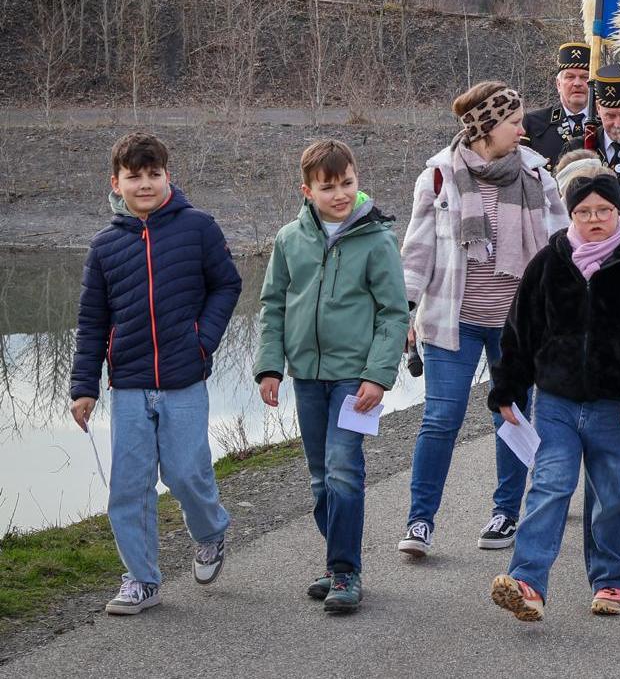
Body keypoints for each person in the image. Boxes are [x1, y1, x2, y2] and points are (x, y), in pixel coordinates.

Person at [488, 173, 620, 622]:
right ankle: (528, 582)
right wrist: (509, 387)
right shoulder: (550, 261)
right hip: (557, 400)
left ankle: (610, 578)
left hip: (616, 404)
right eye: (584, 212)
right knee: (550, 486)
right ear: (571, 215)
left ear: (619, 213)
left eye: (603, 211)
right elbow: (520, 330)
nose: (594, 220)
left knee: (613, 496)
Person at [70, 132, 242, 616]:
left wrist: (202, 339)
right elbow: (91, 322)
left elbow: (226, 285)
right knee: (128, 485)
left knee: (187, 473)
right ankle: (142, 579)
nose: (144, 184)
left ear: (168, 176)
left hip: (184, 378)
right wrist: (83, 387)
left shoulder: (198, 227)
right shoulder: (104, 246)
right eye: (134, 176)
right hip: (128, 384)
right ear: (116, 182)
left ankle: (210, 532)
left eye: (153, 174)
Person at [399, 82, 568, 559]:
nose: (523, 129)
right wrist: (401, 312)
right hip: (453, 321)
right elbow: (418, 252)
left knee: (510, 416)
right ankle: (419, 521)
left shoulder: (538, 175)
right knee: (440, 418)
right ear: (486, 128)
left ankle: (505, 513)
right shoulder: (438, 177)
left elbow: (560, 250)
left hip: (518, 327)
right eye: (514, 122)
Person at [255, 139, 408, 613]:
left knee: (344, 470)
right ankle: (335, 561)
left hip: (354, 379)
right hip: (306, 376)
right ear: (307, 190)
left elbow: (393, 314)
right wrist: (269, 367)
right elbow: (273, 306)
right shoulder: (288, 240)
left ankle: (345, 571)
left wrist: (379, 376)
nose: (340, 194)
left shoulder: (377, 241)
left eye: (347, 183)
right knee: (320, 477)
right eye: (328, 187)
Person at [522, 37, 592, 163]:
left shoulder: (606, 124)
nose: (577, 83)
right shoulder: (533, 124)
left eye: (584, 77)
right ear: (558, 84)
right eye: (570, 77)